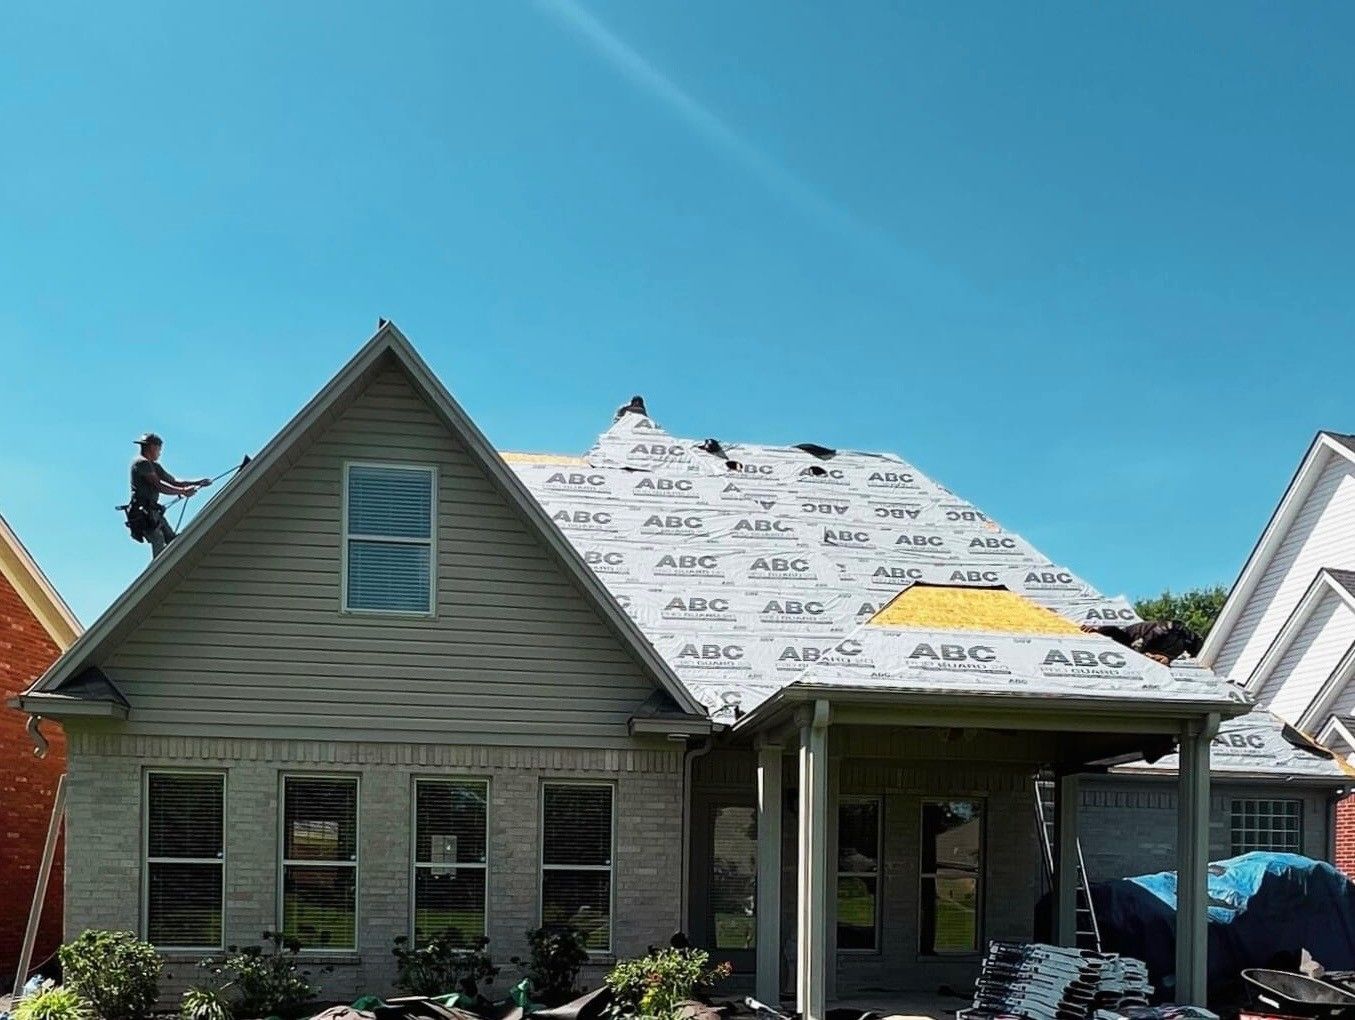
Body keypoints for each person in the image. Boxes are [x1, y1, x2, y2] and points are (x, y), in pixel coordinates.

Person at [129, 433, 212, 558]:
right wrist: (183, 491)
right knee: (158, 540)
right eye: (159, 449)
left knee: (171, 539)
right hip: (143, 513)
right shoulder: (141, 463)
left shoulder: (154, 466)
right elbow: (159, 486)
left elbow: (173, 482)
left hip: (152, 512)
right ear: (151, 447)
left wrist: (198, 482)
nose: (160, 452)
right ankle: (158, 574)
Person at [1080, 618, 1204, 664]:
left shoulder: (1180, 644)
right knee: (1111, 631)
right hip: (1127, 638)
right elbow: (1142, 642)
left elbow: (1166, 660)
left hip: (1134, 642)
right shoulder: (1168, 629)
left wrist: (1163, 660)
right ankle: (1094, 632)